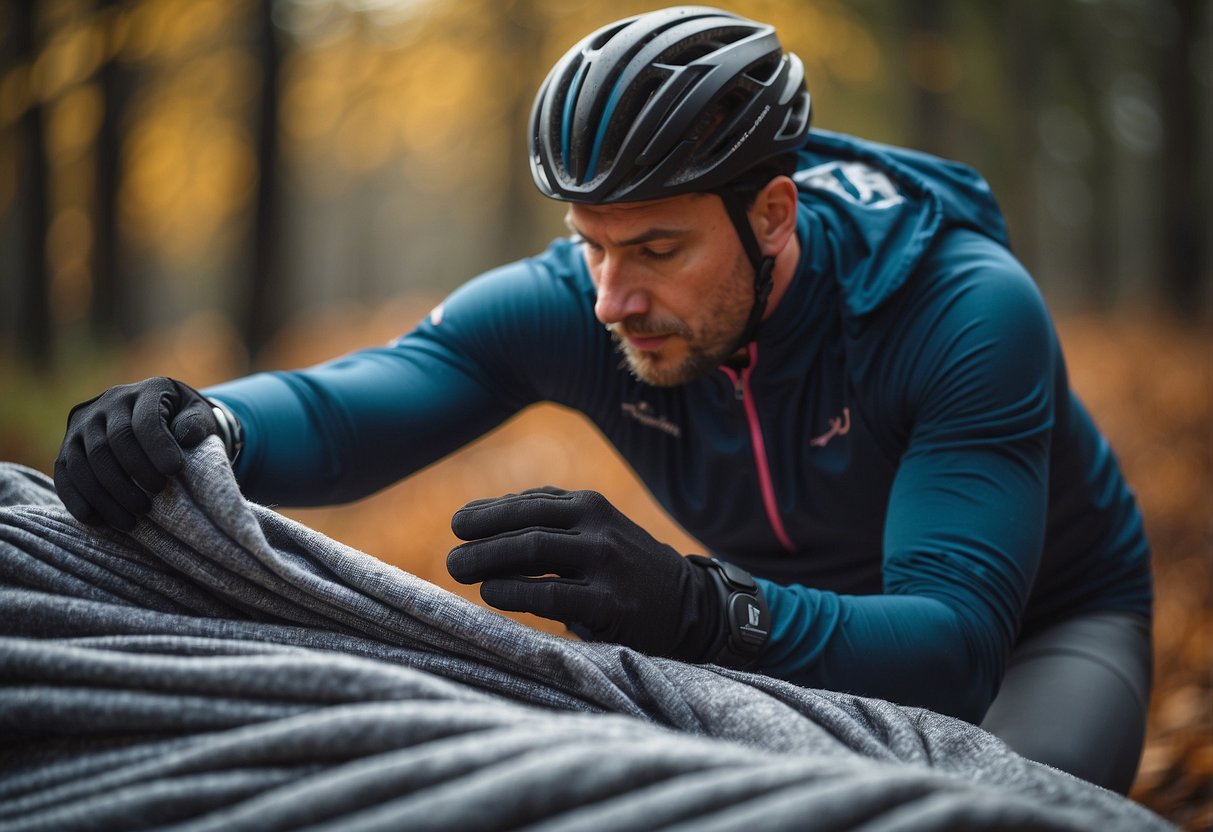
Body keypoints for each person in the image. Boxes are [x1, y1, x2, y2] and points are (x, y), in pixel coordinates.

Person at [53, 6, 1153, 794]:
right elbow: (352, 407)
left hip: (1039, 633)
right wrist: (203, 419)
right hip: (779, 627)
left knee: (1008, 808)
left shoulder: (958, 308)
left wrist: (701, 609)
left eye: (658, 247)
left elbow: (956, 648)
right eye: (588, 245)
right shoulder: (585, 299)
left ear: (774, 213)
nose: (613, 296)